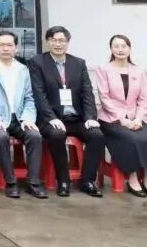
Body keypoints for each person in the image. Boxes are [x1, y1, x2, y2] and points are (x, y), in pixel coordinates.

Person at [29, 26, 104, 197]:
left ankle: (87, 181)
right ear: (47, 42)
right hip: (52, 118)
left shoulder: (78, 63)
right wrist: (51, 117)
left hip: (76, 118)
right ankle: (63, 180)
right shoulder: (37, 63)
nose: (58, 44)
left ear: (68, 42)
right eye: (54, 40)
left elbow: (87, 92)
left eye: (62, 40)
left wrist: (90, 117)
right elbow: (39, 94)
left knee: (97, 135)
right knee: (56, 134)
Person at [0, 30, 47, 198]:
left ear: (16, 48)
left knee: (35, 136)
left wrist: (28, 118)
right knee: (1, 137)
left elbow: (29, 97)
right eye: (1, 45)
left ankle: (33, 182)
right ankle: (10, 182)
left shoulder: (23, 69)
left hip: (19, 118)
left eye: (9, 45)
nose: (5, 48)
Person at [95, 34, 147, 197]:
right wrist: (122, 120)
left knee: (146, 139)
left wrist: (138, 118)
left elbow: (144, 98)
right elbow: (104, 97)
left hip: (135, 117)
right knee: (130, 139)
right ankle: (132, 179)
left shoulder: (138, 71)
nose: (120, 49)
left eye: (124, 46)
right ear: (111, 49)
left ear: (129, 48)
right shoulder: (103, 69)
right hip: (111, 119)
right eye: (116, 46)